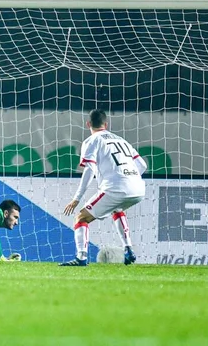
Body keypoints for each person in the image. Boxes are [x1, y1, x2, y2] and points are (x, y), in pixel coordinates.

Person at [59, 109, 147, 267]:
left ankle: (81, 257)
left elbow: (90, 170)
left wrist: (76, 199)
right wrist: (130, 178)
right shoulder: (122, 140)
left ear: (88, 124)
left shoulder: (91, 141)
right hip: (139, 188)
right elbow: (143, 165)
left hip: (116, 188)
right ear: (106, 124)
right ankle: (129, 250)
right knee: (117, 209)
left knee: (81, 217)